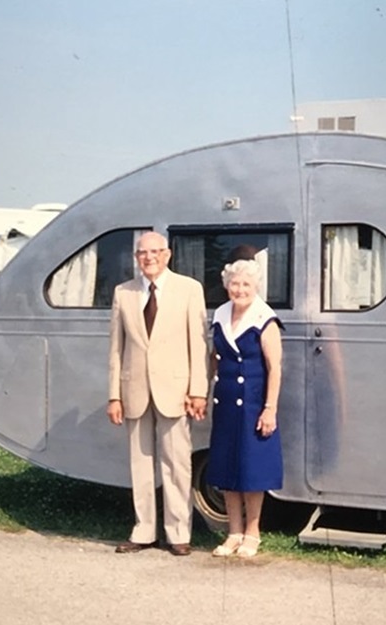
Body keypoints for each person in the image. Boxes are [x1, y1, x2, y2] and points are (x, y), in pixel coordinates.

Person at [107, 230, 209, 556]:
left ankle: (178, 533)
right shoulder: (123, 293)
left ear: (167, 255)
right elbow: (115, 350)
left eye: (155, 252)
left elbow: (200, 345)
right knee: (140, 464)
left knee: (177, 464)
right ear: (136, 258)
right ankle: (143, 530)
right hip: (134, 390)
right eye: (142, 253)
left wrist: (198, 391)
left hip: (176, 391)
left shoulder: (189, 290)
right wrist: (114, 395)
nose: (148, 258)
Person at [207, 257, 284, 558]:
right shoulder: (221, 314)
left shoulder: (265, 318)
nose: (240, 289)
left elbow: (275, 368)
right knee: (227, 469)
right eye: (235, 284)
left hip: (254, 405)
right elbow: (214, 356)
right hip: (225, 403)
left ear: (257, 287)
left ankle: (253, 533)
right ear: (227, 286)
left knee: (252, 471)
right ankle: (233, 532)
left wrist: (270, 408)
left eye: (246, 284)